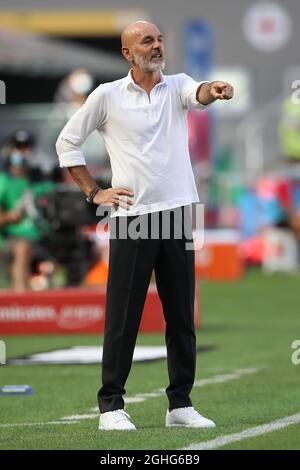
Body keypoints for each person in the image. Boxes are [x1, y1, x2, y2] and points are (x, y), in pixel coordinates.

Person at [56, 21, 234, 431]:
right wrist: (93, 192)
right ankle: (111, 407)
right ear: (126, 53)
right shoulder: (107, 96)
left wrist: (216, 88)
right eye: (146, 42)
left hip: (177, 215)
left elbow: (200, 91)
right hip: (132, 219)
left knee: (181, 317)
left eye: (158, 40)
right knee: (124, 316)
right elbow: (67, 143)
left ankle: (180, 405)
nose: (156, 47)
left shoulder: (178, 85)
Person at [0, 130, 55, 291]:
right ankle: (21, 300)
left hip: (42, 238)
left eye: (26, 147)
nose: (23, 153)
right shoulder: (3, 181)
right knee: (23, 248)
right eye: (18, 147)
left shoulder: (41, 181)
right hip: (11, 239)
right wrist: (10, 217)